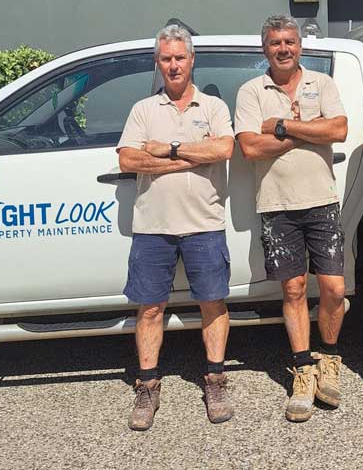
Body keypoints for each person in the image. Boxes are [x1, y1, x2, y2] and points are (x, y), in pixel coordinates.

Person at [116, 24, 236, 430]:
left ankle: (216, 378)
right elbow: (129, 160)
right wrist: (191, 158)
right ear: (158, 62)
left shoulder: (214, 108)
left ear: (191, 60)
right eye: (166, 58)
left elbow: (223, 149)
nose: (173, 65)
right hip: (153, 227)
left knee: (213, 303)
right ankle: (148, 385)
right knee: (150, 308)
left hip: (204, 223)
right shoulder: (143, 110)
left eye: (179, 57)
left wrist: (167, 150)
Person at [234, 14, 348, 422]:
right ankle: (303, 369)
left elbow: (339, 129)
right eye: (275, 42)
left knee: (334, 289)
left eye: (290, 41)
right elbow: (249, 147)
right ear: (264, 48)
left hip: (321, 200)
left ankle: (330, 360)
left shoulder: (324, 84)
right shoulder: (251, 91)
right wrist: (307, 130)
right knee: (295, 289)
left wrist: (281, 127)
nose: (283, 48)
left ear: (300, 45)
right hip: (277, 204)